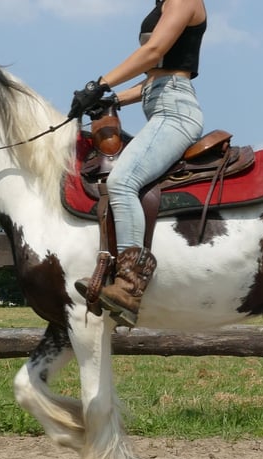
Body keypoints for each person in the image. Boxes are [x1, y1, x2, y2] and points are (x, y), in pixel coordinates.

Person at [69, 0, 207, 328]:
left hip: (175, 111)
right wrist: (113, 99)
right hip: (159, 101)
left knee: (122, 181)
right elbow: (152, 80)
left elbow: (153, 50)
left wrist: (99, 84)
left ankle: (130, 286)